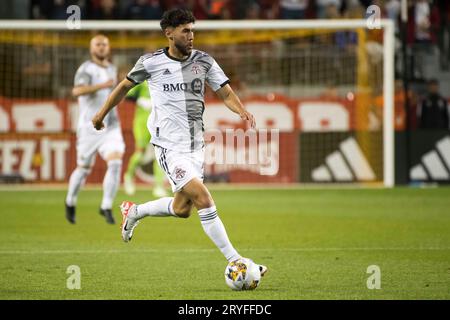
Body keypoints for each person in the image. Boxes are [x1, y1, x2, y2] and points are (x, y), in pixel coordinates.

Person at [92, 8, 267, 275]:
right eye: (185, 31)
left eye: (192, 30)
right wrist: (101, 114)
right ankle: (236, 260)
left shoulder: (205, 61)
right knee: (203, 198)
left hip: (196, 146)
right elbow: (123, 87)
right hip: (169, 147)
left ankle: (134, 211)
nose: (191, 35)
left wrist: (241, 110)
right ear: (169, 33)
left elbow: (226, 92)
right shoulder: (150, 62)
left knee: (182, 208)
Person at [65, 35, 124, 225]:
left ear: (109, 48)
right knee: (83, 169)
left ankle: (106, 205)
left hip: (111, 125)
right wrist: (101, 85)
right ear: (92, 49)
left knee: (115, 162)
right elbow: (77, 91)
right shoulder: (86, 69)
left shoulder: (112, 69)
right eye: (97, 44)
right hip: (89, 127)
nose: (101, 47)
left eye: (104, 44)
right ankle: (70, 201)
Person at [123, 80, 168, 197]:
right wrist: (139, 100)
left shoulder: (164, 81)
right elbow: (128, 95)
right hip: (142, 123)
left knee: (160, 153)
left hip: (159, 123)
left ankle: (159, 186)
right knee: (140, 152)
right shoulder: (142, 81)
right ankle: (128, 177)